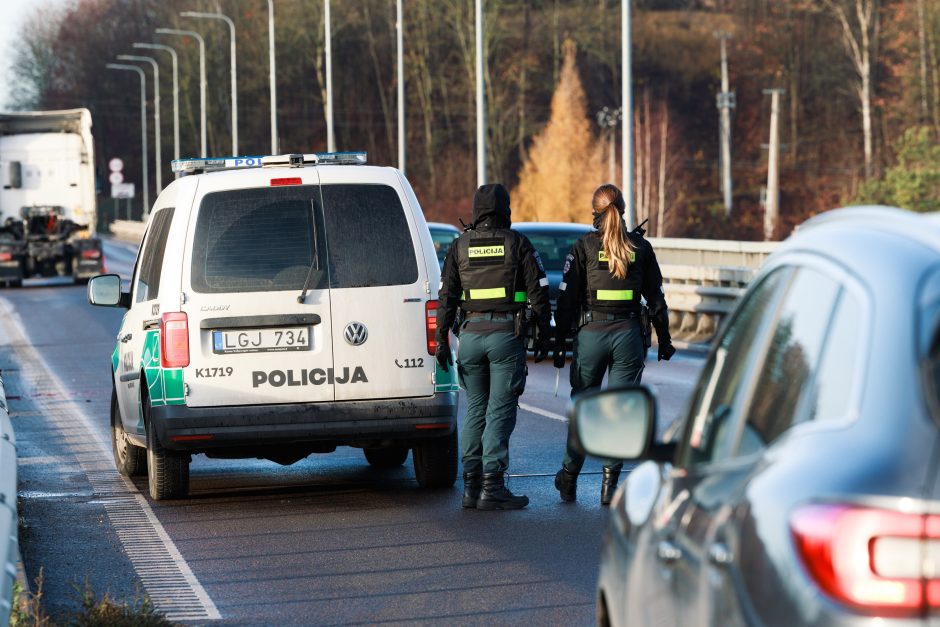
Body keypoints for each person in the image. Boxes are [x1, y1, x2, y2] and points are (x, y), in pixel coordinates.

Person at [552, 183, 675, 505]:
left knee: (582, 410)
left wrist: (557, 342)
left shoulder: (583, 247)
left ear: (595, 214)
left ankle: (568, 478)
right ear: (622, 209)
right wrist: (665, 340)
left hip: (591, 335)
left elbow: (566, 299)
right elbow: (657, 299)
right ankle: (609, 486)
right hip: (628, 338)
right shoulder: (640, 247)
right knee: (620, 412)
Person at [435, 183, 552, 511]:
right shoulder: (518, 244)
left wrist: (441, 339)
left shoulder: (459, 247)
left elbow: (446, 297)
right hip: (505, 337)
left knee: (475, 409)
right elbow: (539, 292)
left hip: (470, 337)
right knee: (499, 410)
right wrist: (544, 335)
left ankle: (470, 488)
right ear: (506, 210)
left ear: (476, 210)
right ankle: (493, 486)